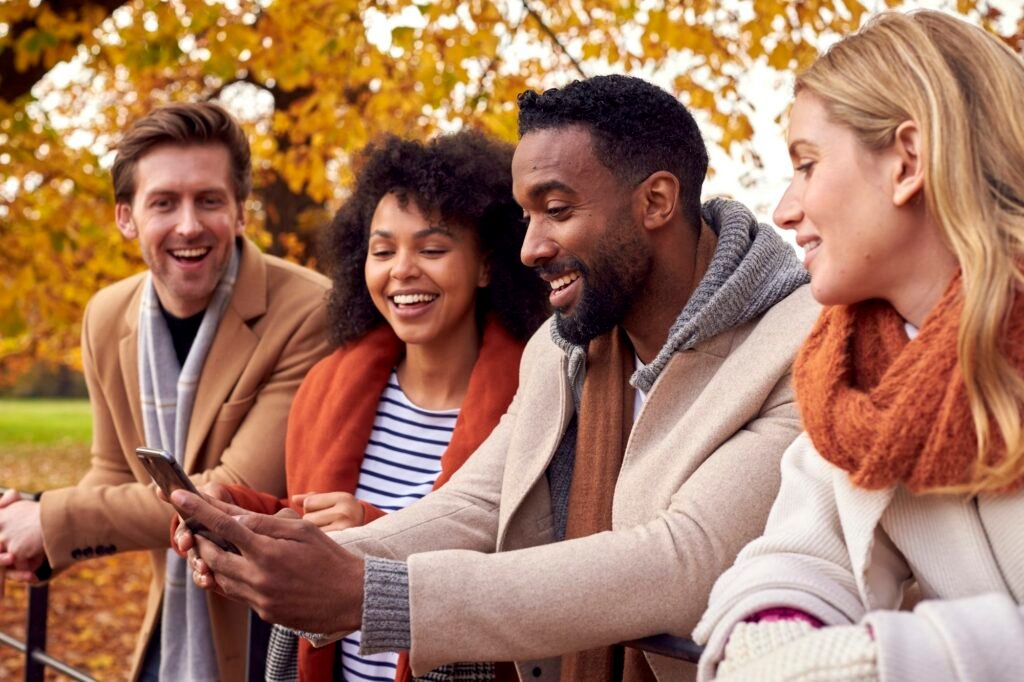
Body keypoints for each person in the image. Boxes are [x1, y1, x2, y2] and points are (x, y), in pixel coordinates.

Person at [175, 74, 819, 680]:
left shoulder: (800, 345)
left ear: (655, 201)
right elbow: (480, 503)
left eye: (557, 210)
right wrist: (283, 549)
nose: (530, 248)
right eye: (526, 216)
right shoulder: (563, 346)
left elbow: (682, 563)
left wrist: (375, 595)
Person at [693, 10, 1024, 682]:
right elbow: (796, 557)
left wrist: (884, 662)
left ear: (908, 161)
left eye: (807, 164)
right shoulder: (855, 375)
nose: (784, 210)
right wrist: (775, 637)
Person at [197, 131, 548, 681]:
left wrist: (371, 530)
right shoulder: (327, 388)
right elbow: (309, 516)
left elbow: (521, 573)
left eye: (432, 249)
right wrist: (234, 510)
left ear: (485, 266)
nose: (402, 270)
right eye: (382, 251)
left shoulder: (535, 400)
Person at [0, 102, 332, 681]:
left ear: (239, 211)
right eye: (163, 203)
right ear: (126, 218)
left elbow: (230, 496)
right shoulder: (106, 316)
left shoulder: (309, 310)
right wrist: (40, 541)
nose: (188, 225)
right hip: (173, 620)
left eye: (209, 200)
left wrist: (52, 520)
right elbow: (111, 471)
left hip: (279, 630)